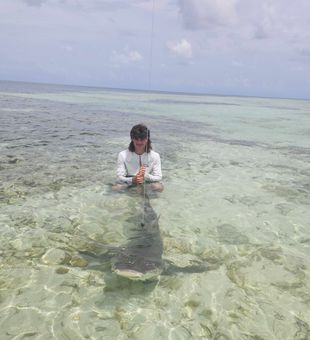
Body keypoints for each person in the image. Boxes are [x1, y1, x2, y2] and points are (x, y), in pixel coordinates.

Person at [112, 124, 163, 192]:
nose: (139, 142)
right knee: (115, 188)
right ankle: (134, 190)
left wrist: (146, 176)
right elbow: (119, 177)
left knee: (159, 187)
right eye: (136, 139)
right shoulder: (122, 155)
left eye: (142, 139)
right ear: (132, 139)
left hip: (146, 182)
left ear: (147, 139)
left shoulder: (155, 156)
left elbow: (158, 177)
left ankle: (141, 190)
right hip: (130, 181)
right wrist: (133, 180)